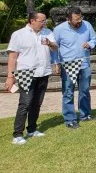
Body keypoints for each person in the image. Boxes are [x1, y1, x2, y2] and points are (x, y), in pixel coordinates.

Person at [4, 12, 57, 145]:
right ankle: (17, 134)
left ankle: (32, 129)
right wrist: (10, 76)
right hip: (26, 73)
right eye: (42, 20)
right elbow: (12, 56)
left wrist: (50, 43)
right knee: (25, 104)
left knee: (37, 103)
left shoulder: (48, 32)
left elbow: (55, 48)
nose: (44, 23)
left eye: (45, 20)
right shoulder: (19, 34)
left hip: (43, 72)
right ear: (32, 20)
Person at [52, 7, 96, 129]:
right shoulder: (59, 29)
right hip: (68, 66)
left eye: (80, 18)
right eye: (76, 19)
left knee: (85, 91)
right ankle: (70, 119)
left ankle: (85, 114)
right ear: (68, 19)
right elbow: (54, 48)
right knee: (68, 93)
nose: (79, 21)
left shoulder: (87, 25)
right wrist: (56, 63)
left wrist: (90, 44)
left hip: (84, 65)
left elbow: (94, 39)